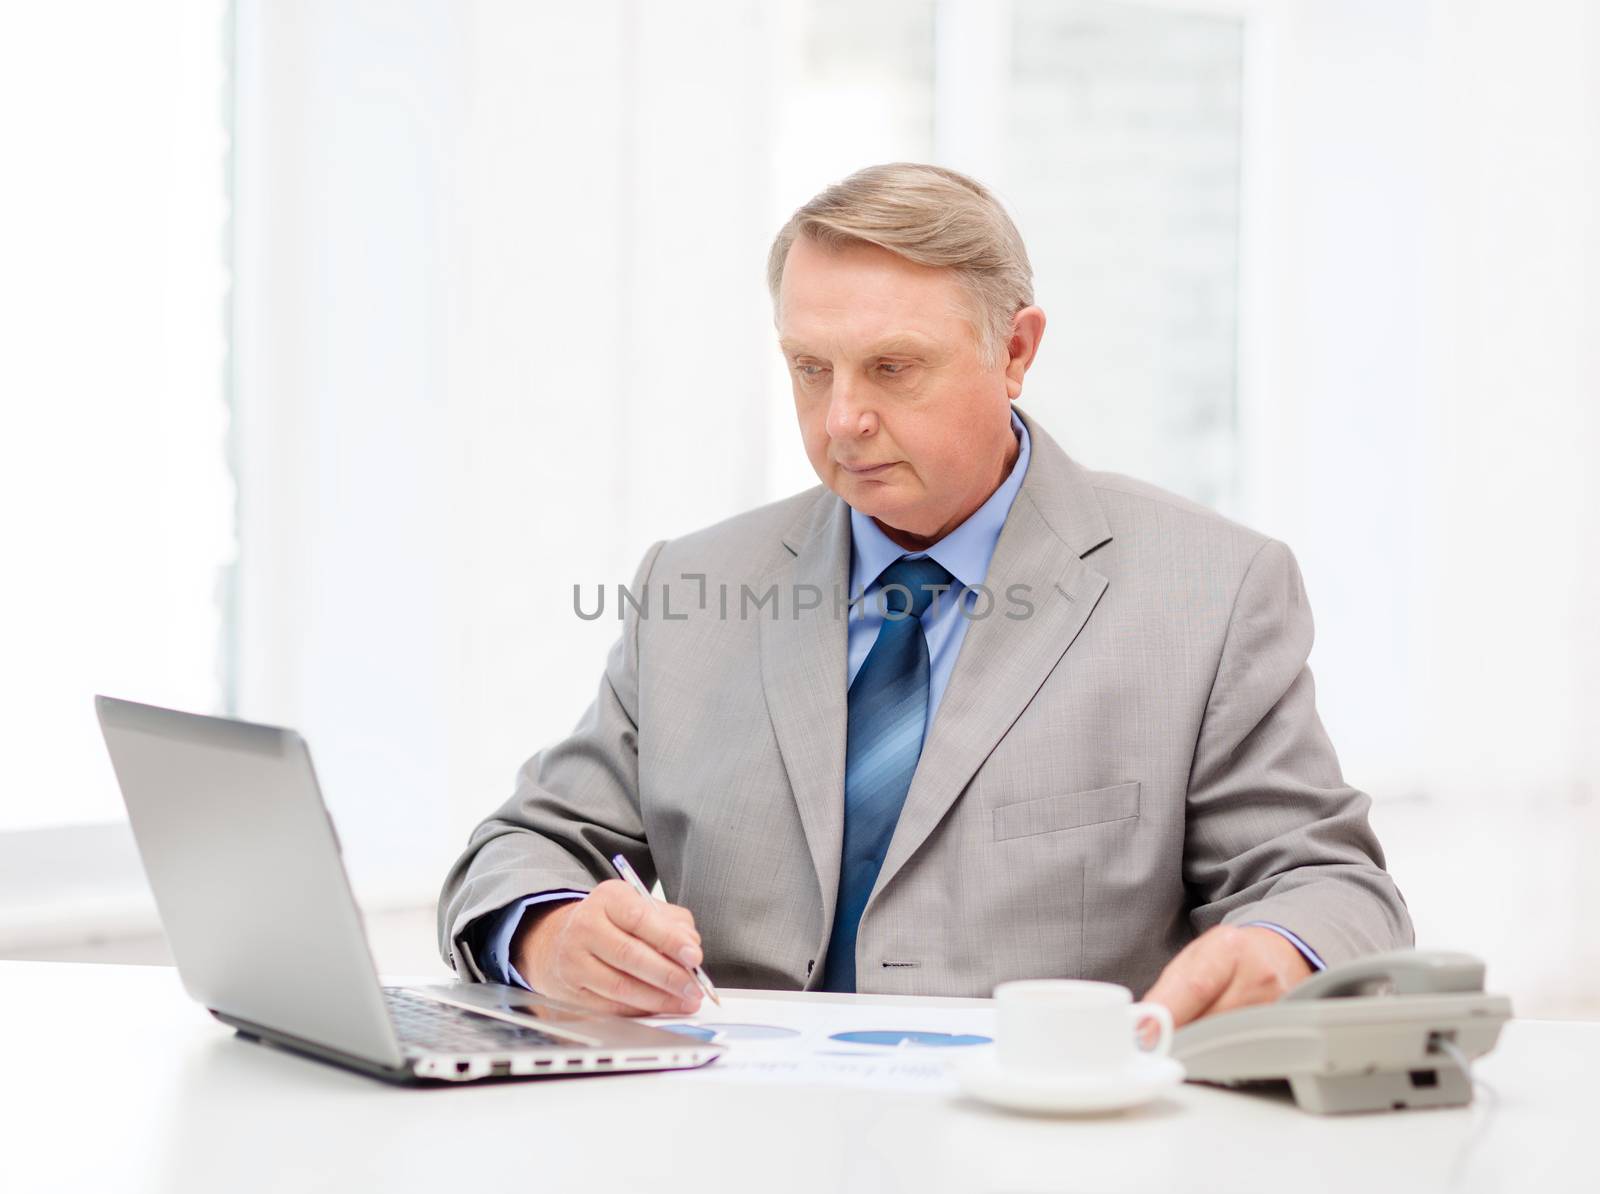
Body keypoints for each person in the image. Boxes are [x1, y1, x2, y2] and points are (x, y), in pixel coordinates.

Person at [437, 162, 1412, 1028]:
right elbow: (528, 843)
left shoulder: (1210, 588)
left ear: (1016, 351)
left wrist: (1281, 948)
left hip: (1043, 1138)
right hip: (732, 1135)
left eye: (892, 369)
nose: (842, 419)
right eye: (809, 369)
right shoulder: (693, 584)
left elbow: (1330, 882)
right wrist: (546, 936)